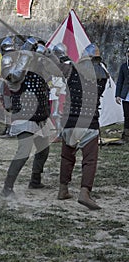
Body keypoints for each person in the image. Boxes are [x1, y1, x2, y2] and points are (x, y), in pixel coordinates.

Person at [57, 43, 109, 210]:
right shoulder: (103, 75)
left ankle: (63, 189)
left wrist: (62, 56)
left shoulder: (72, 70)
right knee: (90, 161)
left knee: (67, 158)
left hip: (69, 123)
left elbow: (58, 65)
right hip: (89, 123)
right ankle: (84, 193)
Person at [0, 36, 52, 197]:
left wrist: (44, 52)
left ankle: (35, 181)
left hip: (41, 114)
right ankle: (7, 187)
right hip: (24, 115)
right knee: (24, 151)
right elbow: (14, 76)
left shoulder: (36, 67)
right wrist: (27, 52)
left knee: (44, 150)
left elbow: (53, 70)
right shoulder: (12, 70)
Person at [115, 47, 129, 141]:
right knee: (126, 115)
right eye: (128, 52)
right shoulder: (124, 66)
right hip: (126, 95)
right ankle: (127, 135)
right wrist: (117, 95)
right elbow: (120, 81)